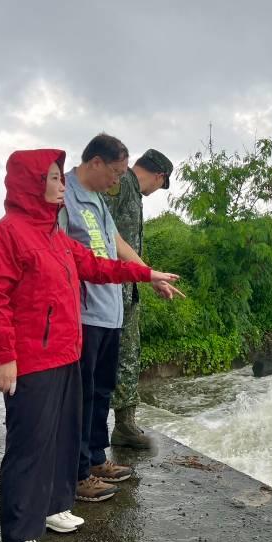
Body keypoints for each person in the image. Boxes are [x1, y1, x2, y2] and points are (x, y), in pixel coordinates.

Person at [0, 148, 181, 542]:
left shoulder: (54, 234)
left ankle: (51, 507)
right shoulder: (8, 234)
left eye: (59, 178)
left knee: (63, 438)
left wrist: (147, 273)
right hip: (31, 361)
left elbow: (96, 265)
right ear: (31, 184)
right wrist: (5, 357)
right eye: (53, 179)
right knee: (29, 447)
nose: (60, 186)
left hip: (66, 354)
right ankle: (14, 539)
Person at [60, 133, 184, 502]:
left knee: (100, 391)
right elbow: (60, 257)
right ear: (96, 163)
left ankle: (96, 459)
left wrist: (151, 275)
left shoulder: (98, 197)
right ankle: (78, 472)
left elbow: (117, 243)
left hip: (110, 309)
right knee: (80, 397)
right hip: (83, 313)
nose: (118, 181)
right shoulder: (64, 196)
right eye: (114, 172)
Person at [103, 148, 173, 449]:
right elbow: (107, 238)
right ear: (159, 176)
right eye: (162, 183)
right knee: (112, 355)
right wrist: (148, 274)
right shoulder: (120, 188)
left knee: (128, 352)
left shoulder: (130, 191)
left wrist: (147, 277)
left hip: (124, 288)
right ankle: (116, 428)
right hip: (108, 289)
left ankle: (125, 425)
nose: (158, 189)